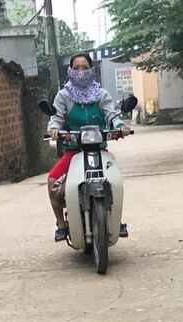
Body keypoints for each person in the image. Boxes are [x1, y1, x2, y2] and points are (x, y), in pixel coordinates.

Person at [47, 53, 131, 242]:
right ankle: (61, 223)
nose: (81, 71)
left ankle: (116, 220)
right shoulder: (63, 96)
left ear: (92, 70)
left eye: (85, 67)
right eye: (76, 68)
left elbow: (112, 115)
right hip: (74, 151)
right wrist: (54, 129)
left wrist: (120, 127)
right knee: (52, 181)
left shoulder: (102, 95)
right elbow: (57, 117)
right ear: (70, 70)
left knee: (115, 182)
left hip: (99, 149)